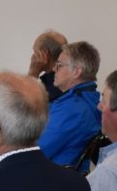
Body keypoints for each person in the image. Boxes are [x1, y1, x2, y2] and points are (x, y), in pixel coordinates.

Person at [37, 40, 101, 169]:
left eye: (59, 64)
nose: (54, 68)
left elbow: (32, 152)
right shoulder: (89, 100)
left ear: (76, 71)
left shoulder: (72, 110)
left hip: (47, 179)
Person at [27, 29, 68, 101]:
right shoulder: (69, 73)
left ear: (44, 53)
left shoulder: (56, 84)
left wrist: (33, 73)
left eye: (35, 51)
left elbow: (24, 105)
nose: (33, 55)